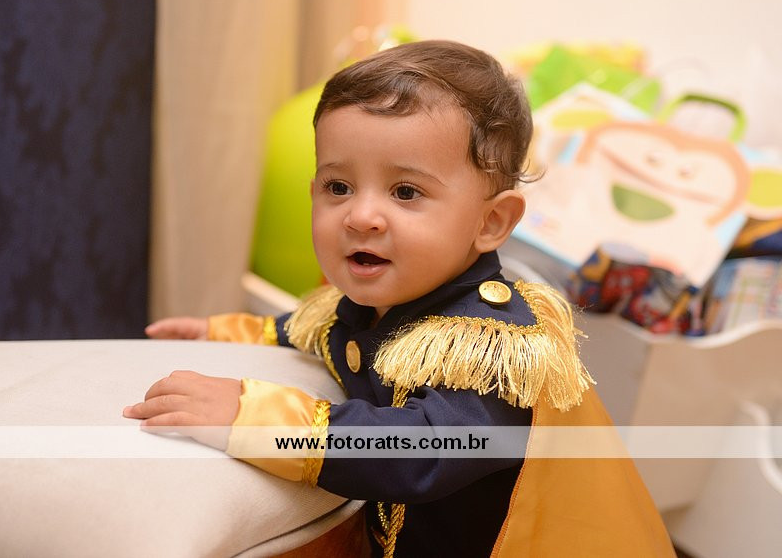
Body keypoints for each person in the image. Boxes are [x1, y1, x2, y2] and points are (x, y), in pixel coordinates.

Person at [124, 40, 675, 557]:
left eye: (406, 191)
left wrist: (256, 418)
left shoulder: (495, 349)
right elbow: (308, 328)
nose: (361, 216)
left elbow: (420, 452)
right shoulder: (381, 297)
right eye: (338, 187)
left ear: (490, 222)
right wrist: (218, 332)